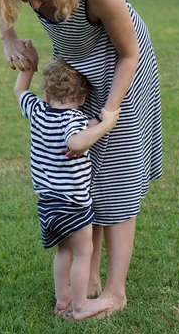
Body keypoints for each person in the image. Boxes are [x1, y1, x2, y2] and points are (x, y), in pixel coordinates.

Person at [0, 0, 162, 317]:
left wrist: (111, 113)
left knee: (116, 181)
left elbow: (129, 54)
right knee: (85, 176)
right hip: (78, 75)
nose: (33, 5)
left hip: (122, 77)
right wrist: (7, 36)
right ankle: (90, 275)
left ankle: (115, 292)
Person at [14, 56, 120, 320]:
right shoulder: (74, 119)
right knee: (84, 254)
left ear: (47, 94)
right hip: (72, 203)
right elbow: (75, 141)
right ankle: (81, 306)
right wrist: (106, 123)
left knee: (63, 250)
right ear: (83, 100)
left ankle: (63, 301)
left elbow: (19, 91)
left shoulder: (37, 110)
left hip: (48, 203)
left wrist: (29, 66)